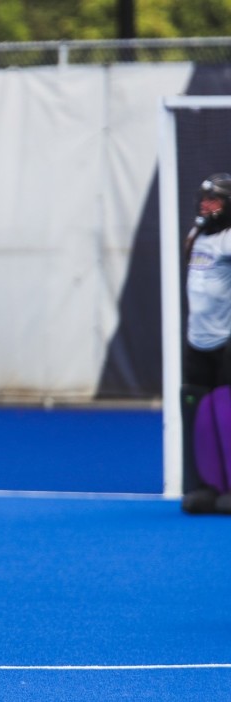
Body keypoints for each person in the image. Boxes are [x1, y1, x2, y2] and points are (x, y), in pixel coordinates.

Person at [181, 173, 231, 513]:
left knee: (227, 413)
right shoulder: (195, 237)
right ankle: (203, 485)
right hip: (196, 340)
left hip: (227, 341)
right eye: (204, 199)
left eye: (214, 201)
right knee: (199, 412)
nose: (206, 205)